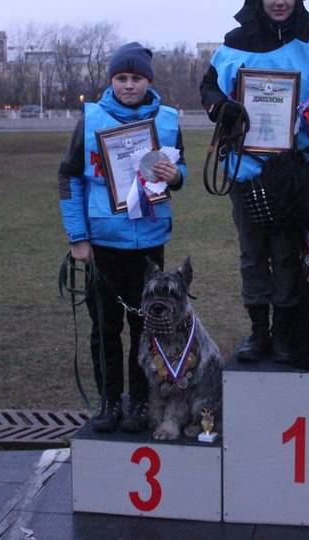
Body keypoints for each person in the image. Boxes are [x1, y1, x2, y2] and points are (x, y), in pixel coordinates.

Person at [199, 0, 309, 364]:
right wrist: (221, 108)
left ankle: (284, 333)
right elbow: (209, 89)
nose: (280, 1)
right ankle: (258, 332)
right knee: (252, 253)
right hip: (245, 168)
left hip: (291, 170)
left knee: (286, 252)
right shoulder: (232, 43)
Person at [59, 42, 186, 432]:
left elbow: (180, 174)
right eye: (121, 78)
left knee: (145, 328)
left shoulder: (166, 120)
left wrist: (175, 176)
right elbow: (70, 178)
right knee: (106, 328)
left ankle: (139, 402)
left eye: (136, 78)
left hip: (148, 244)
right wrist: (78, 237)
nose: (129, 85)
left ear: (148, 80)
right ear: (111, 80)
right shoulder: (92, 118)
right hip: (103, 244)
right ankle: (109, 401)